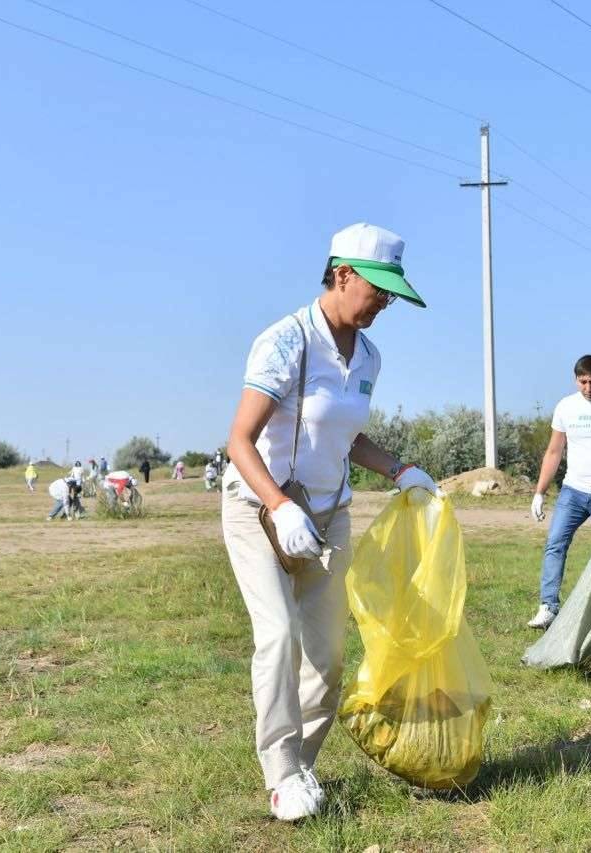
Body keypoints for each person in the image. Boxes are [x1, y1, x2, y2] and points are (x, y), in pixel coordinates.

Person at [222, 222, 441, 821]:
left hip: (328, 514)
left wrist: (400, 469)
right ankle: (280, 775)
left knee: (327, 657)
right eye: (378, 289)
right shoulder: (286, 341)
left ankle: (301, 767)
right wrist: (279, 504)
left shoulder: (369, 354)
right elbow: (239, 441)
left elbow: (345, 434)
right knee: (279, 636)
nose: (384, 303)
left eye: (392, 293)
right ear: (343, 274)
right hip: (258, 509)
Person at [527, 355, 591, 629]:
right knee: (555, 544)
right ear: (576, 380)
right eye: (583, 381)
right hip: (573, 491)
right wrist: (539, 492)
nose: (588, 388)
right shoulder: (566, 406)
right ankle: (548, 607)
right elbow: (554, 451)